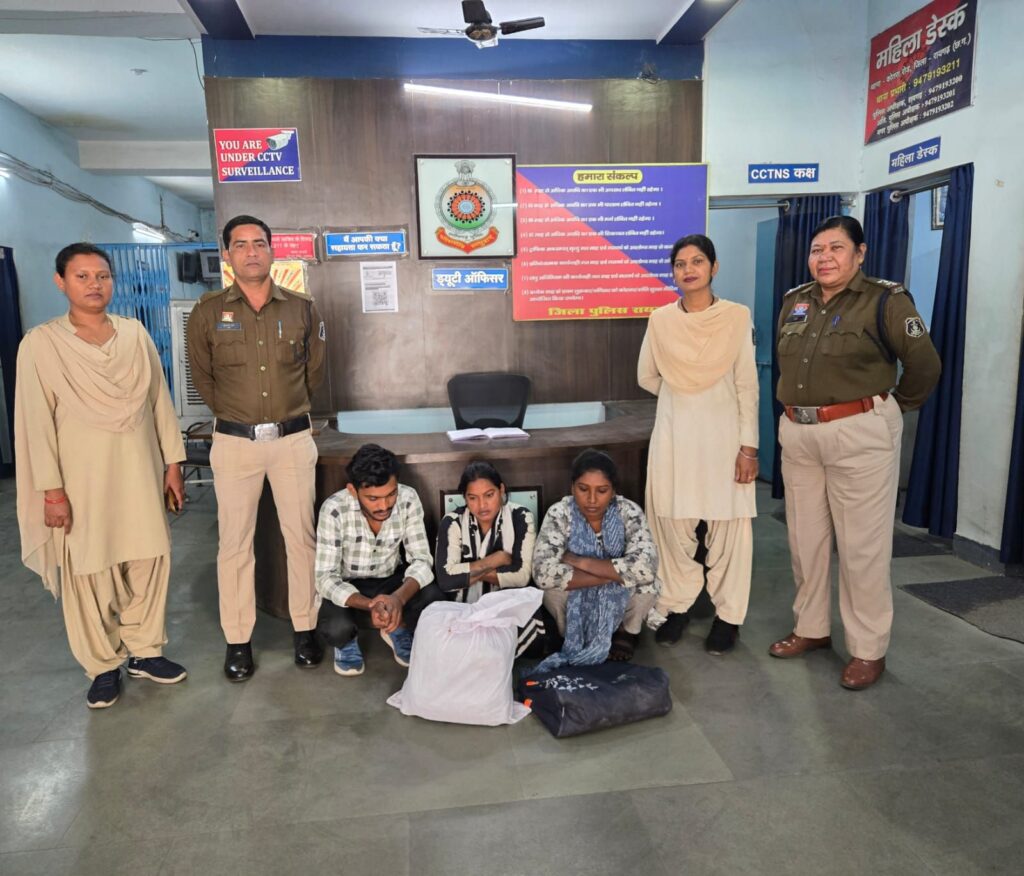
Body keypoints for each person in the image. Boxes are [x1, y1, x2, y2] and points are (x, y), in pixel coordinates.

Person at [769, 215, 941, 690]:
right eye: (817, 249)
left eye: (836, 248)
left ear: (859, 253)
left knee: (862, 547)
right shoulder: (795, 301)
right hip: (800, 434)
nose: (824, 257)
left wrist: (891, 408)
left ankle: (868, 649)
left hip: (858, 433)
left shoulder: (885, 300)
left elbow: (924, 364)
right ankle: (811, 628)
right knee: (805, 541)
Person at [14, 243, 188, 709]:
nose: (95, 285)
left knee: (149, 556)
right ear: (61, 282)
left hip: (140, 470)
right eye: (83, 276)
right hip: (80, 480)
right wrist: (52, 492)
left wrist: (173, 463)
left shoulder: (134, 335)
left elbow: (159, 402)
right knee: (91, 567)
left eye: (103, 276)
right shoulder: (41, 344)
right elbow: (35, 422)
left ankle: (145, 651)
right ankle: (103, 665)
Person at [187, 214, 327, 681]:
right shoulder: (207, 312)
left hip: (292, 440)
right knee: (234, 544)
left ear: (272, 250)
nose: (251, 252)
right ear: (227, 254)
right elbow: (204, 379)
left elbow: (312, 373)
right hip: (235, 443)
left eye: (260, 243)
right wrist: (240, 415)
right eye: (241, 244)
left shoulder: (301, 308)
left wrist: (283, 413)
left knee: (301, 539)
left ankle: (305, 629)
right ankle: (238, 640)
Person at [638, 234, 758, 655]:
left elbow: (747, 385)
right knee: (672, 525)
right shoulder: (660, 320)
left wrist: (749, 447)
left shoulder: (736, 317)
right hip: (675, 436)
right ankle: (677, 606)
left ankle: (728, 618)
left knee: (730, 528)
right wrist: (683, 397)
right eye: (680, 263)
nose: (688, 270)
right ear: (673, 272)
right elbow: (646, 376)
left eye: (697, 261)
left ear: (714, 267)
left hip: (725, 438)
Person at [314, 443, 443, 676]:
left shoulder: (408, 498)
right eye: (373, 498)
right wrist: (369, 604)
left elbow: (422, 561)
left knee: (434, 598)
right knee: (336, 629)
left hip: (391, 580)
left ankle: (397, 626)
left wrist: (397, 599)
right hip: (349, 585)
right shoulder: (333, 509)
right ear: (353, 491)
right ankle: (347, 642)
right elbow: (325, 578)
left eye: (391, 494)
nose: (384, 506)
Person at [533, 448, 659, 664]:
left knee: (647, 586)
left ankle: (625, 631)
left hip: (588, 582)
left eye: (602, 490)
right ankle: (572, 631)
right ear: (572, 487)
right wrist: (613, 575)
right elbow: (542, 572)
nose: (592, 499)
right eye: (583, 489)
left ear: (613, 491)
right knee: (550, 591)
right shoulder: (560, 512)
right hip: (587, 588)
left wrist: (580, 562)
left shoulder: (628, 511)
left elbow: (646, 567)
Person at [435, 460, 551, 657]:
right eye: (473, 498)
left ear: (501, 490)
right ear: (464, 497)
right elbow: (446, 580)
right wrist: (496, 560)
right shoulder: (453, 522)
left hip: (503, 606)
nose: (482, 505)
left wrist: (467, 572)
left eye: (489, 495)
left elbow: (521, 576)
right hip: (463, 607)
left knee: (529, 628)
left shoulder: (520, 517)